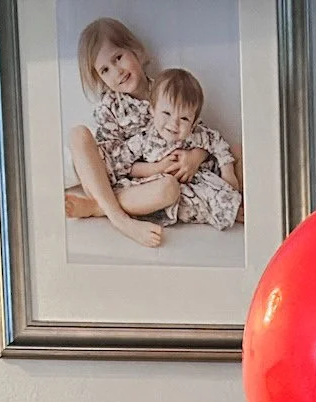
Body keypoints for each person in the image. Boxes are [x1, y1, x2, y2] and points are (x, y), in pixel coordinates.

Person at [64, 17, 198, 250]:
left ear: (135, 50)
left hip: (140, 188)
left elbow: (195, 127)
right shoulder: (110, 107)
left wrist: (196, 157)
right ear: (101, 79)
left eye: (118, 58)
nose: (117, 71)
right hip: (104, 180)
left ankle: (98, 208)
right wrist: (154, 167)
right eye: (105, 69)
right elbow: (114, 163)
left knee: (169, 189)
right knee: (78, 134)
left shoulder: (165, 89)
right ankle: (120, 219)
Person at [129, 68, 242, 232]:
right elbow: (125, 166)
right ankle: (229, 209)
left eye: (184, 118)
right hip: (178, 188)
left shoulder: (195, 134)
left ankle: (241, 198)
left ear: (194, 122)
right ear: (152, 110)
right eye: (166, 113)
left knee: (239, 152)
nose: (173, 124)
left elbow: (217, 143)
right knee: (188, 201)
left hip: (205, 176)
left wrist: (227, 172)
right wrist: (155, 168)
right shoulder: (143, 139)